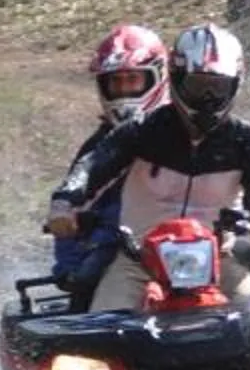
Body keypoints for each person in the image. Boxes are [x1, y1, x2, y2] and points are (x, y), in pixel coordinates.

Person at [46, 23, 250, 311]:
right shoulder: (140, 130)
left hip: (219, 260)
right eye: (197, 86)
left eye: (217, 87)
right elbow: (92, 166)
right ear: (176, 79)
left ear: (235, 85)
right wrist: (65, 202)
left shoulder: (246, 139)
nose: (207, 98)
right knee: (101, 324)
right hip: (139, 262)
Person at [49, 24, 168, 295]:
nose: (123, 90)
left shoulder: (188, 131)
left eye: (132, 80)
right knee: (86, 278)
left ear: (158, 77)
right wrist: (63, 211)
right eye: (116, 82)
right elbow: (75, 190)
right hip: (125, 246)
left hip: (196, 240)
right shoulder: (100, 145)